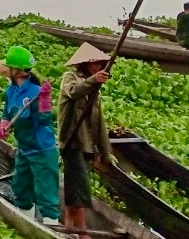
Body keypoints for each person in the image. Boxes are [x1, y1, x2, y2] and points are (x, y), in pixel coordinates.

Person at [0, 46, 60, 226]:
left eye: (10, 68)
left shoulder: (35, 92)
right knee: (21, 189)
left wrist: (45, 100)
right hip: (23, 148)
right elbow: (7, 113)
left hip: (41, 150)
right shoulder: (11, 90)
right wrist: (3, 126)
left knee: (46, 194)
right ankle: (25, 225)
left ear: (18, 70)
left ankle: (51, 229)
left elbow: (44, 120)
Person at [58, 43, 114, 237]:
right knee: (80, 188)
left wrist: (105, 153)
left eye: (99, 63)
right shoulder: (70, 78)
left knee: (74, 187)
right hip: (72, 142)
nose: (97, 66)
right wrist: (93, 81)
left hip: (86, 145)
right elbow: (74, 92)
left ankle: (69, 227)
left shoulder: (96, 90)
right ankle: (83, 233)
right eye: (93, 63)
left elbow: (99, 122)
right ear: (84, 64)